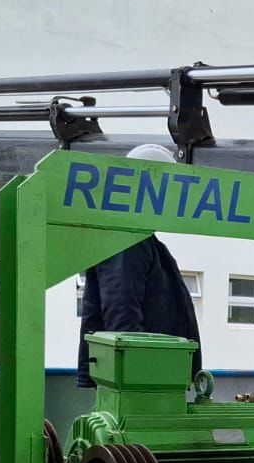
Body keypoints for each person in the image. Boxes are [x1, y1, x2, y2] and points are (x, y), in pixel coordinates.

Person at [76, 145, 202, 388]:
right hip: (141, 384)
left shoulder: (138, 240)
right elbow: (122, 317)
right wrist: (136, 385)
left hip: (146, 380)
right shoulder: (127, 240)